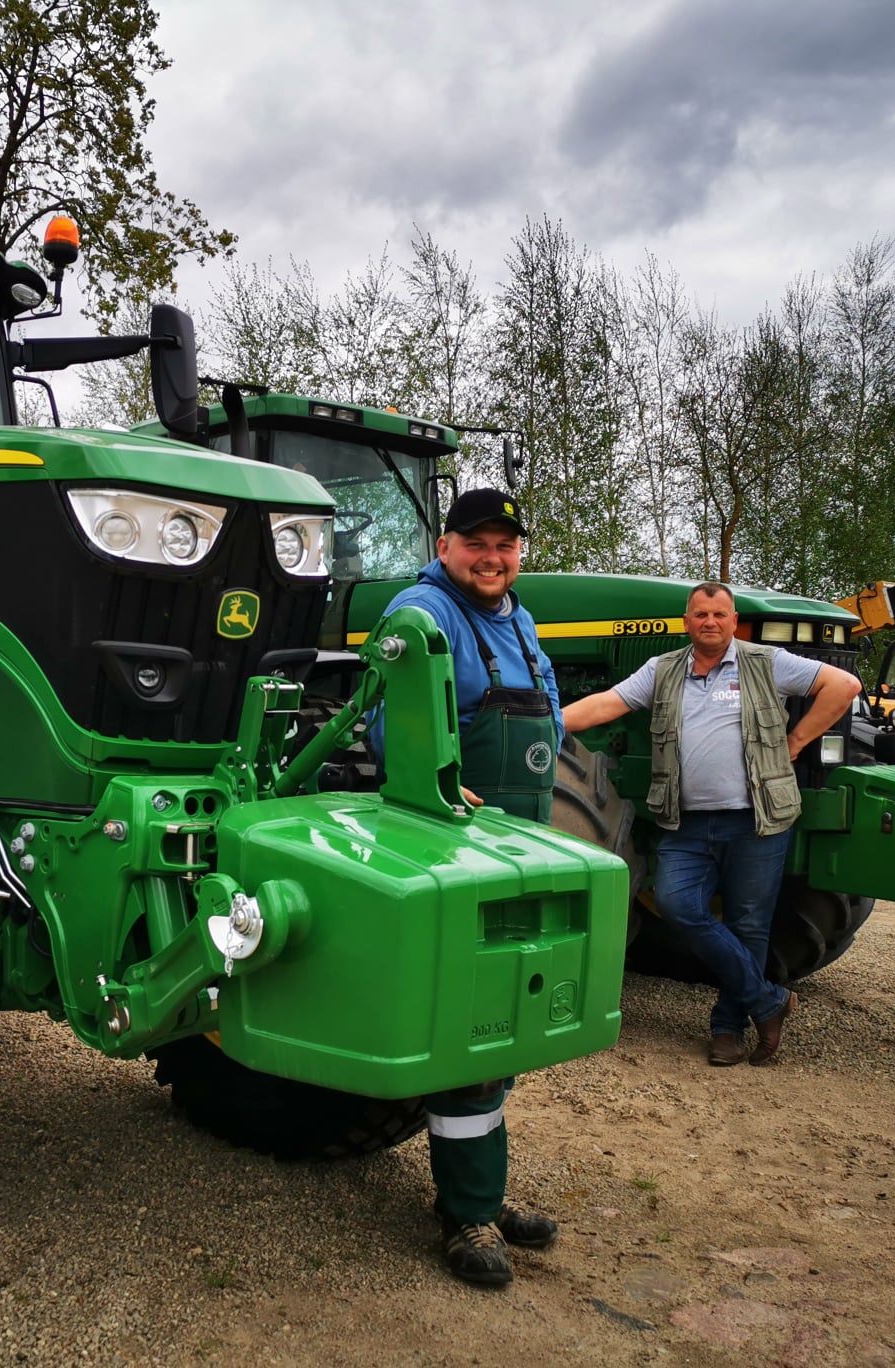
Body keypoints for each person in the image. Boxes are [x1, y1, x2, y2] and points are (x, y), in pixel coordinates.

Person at [370, 487, 562, 1289]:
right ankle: (468, 1211)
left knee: (509, 1022)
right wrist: (440, 783)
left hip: (524, 841)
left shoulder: (519, 617)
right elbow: (393, 721)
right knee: (473, 1027)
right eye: (477, 544)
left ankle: (477, 1185)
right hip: (464, 847)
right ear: (446, 545)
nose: (493, 558)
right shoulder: (421, 611)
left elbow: (546, 711)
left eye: (506, 545)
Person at [562, 582, 861, 1067]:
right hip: (688, 824)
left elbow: (843, 686)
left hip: (756, 821)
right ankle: (770, 1001)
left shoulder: (763, 663)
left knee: (749, 925)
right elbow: (607, 704)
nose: (710, 622)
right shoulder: (664, 670)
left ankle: (727, 1029)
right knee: (679, 906)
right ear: (687, 621)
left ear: (732, 619)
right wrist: (547, 721)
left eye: (719, 614)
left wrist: (797, 741)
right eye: (701, 614)